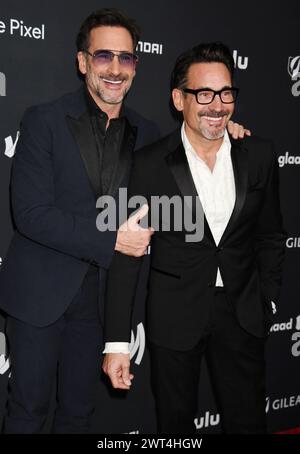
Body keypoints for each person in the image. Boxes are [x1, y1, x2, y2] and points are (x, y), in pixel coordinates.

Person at [103, 42, 286, 434]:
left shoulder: (258, 154)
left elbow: (271, 235)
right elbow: (128, 254)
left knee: (248, 422)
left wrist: (267, 298)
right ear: (178, 98)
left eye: (225, 93)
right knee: (175, 427)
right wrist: (117, 343)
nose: (217, 105)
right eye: (204, 94)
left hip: (242, 313)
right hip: (175, 314)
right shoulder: (150, 163)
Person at [0, 8, 157, 434]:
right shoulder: (43, 120)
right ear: (83, 61)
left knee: (79, 415)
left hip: (101, 303)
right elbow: (31, 214)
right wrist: (112, 241)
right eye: (103, 55)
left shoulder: (150, 135)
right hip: (40, 296)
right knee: (27, 412)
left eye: (125, 58)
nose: (115, 68)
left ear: (136, 67)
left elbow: (197, 144)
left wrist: (228, 130)